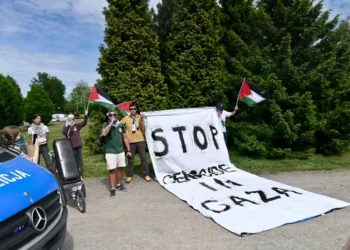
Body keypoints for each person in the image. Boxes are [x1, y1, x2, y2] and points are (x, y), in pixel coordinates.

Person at [102, 110, 132, 197]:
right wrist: (111, 123)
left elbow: (125, 137)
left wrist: (128, 150)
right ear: (108, 116)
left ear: (117, 116)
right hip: (110, 151)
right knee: (112, 170)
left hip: (120, 151)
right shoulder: (105, 124)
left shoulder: (120, 125)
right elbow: (104, 133)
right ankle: (112, 189)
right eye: (111, 115)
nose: (113, 116)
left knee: (120, 168)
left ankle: (119, 185)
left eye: (114, 115)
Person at [121, 102, 150, 183]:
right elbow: (119, 124)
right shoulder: (126, 118)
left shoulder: (139, 117)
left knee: (143, 158)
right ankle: (129, 175)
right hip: (130, 141)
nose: (133, 110)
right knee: (130, 159)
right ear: (129, 110)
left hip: (140, 140)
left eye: (134, 109)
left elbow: (143, 129)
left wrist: (141, 119)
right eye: (131, 109)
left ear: (136, 110)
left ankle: (146, 174)